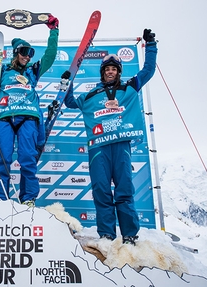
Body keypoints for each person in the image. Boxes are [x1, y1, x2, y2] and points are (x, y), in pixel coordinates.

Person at [64, 29, 158, 245]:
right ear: (102, 72)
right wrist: (67, 82)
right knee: (101, 190)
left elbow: (148, 70)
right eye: (107, 69)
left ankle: (129, 235)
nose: (110, 72)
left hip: (121, 145)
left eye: (114, 69)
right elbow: (69, 102)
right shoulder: (91, 95)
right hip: (98, 148)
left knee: (124, 190)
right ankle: (106, 233)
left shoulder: (130, 87)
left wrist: (150, 46)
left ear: (119, 71)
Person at [0, 13, 59, 207]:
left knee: (27, 159)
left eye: (30, 53)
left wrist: (54, 31)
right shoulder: (2, 70)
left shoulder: (32, 71)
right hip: (4, 117)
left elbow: (50, 55)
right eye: (23, 51)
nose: (27, 56)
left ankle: (28, 198)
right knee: (2, 160)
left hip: (28, 117)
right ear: (15, 52)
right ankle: (0, 199)